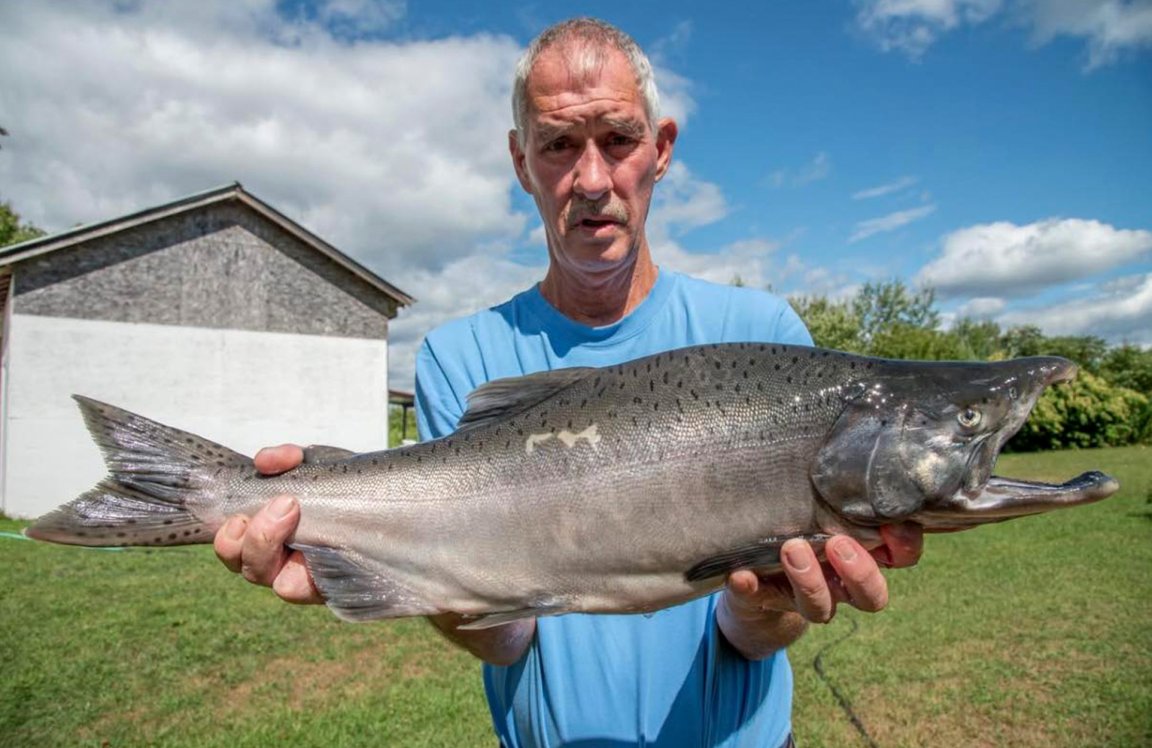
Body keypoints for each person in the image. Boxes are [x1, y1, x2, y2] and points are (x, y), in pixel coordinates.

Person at [214, 18, 923, 747]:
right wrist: (400, 568)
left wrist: (772, 605)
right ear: (522, 163)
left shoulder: (765, 336)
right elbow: (506, 638)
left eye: (618, 139)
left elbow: (745, 637)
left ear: (662, 148)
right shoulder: (461, 356)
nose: (591, 180)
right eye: (559, 144)